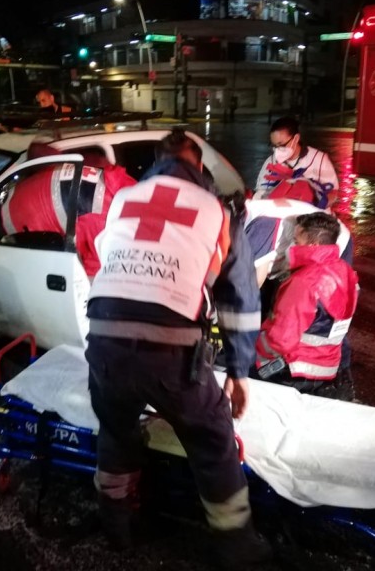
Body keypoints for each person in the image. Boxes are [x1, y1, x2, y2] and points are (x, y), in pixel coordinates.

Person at [85, 128, 269, 568]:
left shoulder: (125, 200)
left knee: (116, 431)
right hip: (170, 351)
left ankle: (116, 526)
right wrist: (239, 373)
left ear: (157, 161)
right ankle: (237, 548)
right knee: (212, 439)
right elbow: (239, 300)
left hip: (104, 341)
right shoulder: (215, 210)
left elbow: (105, 258)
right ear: (198, 164)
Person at [255, 213, 358, 400]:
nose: (291, 246)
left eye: (296, 240)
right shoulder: (345, 271)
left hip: (292, 370)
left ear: (313, 245)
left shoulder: (304, 282)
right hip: (327, 368)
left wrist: (252, 348)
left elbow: (280, 340)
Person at [0, 145, 135, 277]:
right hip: (14, 222)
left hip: (15, 193)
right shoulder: (103, 226)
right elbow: (95, 272)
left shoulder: (123, 181)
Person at [254, 116, 339, 206]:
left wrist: (316, 205)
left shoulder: (319, 159)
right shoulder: (270, 162)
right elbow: (261, 191)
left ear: (296, 139)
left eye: (281, 144)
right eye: (274, 145)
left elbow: (333, 193)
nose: (277, 149)